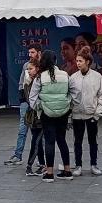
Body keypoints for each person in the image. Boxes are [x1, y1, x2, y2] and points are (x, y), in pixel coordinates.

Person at [29, 51, 74, 182]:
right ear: (55, 61)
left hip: (46, 113)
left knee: (49, 141)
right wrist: (68, 105)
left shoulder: (40, 77)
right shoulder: (65, 75)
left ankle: (49, 173)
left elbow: (32, 97)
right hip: (63, 113)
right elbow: (74, 92)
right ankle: (67, 171)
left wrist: (40, 107)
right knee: (62, 140)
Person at [70, 51, 102, 177]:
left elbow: (101, 96)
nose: (78, 63)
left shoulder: (97, 76)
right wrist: (70, 114)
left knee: (93, 141)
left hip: (91, 114)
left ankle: (93, 164)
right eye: (77, 61)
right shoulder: (73, 77)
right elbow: (69, 96)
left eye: (80, 61)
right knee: (77, 141)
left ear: (88, 62)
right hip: (77, 114)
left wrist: (97, 114)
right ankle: (78, 165)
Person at [6, 45, 41, 166]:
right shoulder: (26, 66)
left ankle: (40, 158)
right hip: (26, 101)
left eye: (33, 52)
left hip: (38, 103)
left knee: (38, 132)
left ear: (38, 53)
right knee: (22, 128)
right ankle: (18, 155)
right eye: (29, 52)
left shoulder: (42, 66)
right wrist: (22, 98)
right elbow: (21, 82)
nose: (30, 54)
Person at [21, 60, 46, 177]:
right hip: (32, 116)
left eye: (30, 69)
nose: (28, 71)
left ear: (37, 68)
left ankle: (29, 165)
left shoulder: (41, 81)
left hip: (41, 116)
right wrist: (26, 84)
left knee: (35, 141)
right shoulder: (28, 82)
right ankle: (42, 164)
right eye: (27, 69)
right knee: (38, 141)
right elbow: (28, 99)